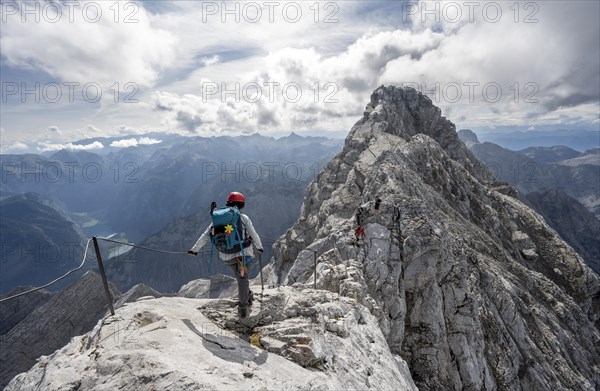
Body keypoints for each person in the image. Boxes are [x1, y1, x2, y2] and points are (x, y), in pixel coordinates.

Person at [188, 191, 263, 319]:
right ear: (241, 204)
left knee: (240, 276)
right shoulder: (243, 218)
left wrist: (194, 250)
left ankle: (247, 295)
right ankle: (243, 308)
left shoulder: (218, 221)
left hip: (226, 256)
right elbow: (254, 234)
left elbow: (205, 236)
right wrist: (259, 247)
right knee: (242, 278)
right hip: (244, 254)